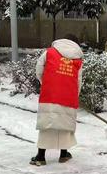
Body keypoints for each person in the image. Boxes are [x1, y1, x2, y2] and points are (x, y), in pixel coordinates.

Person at [30, 34, 84, 166]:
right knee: (64, 124)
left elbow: (39, 69)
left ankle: (41, 156)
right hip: (68, 95)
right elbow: (78, 80)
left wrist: (46, 82)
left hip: (50, 94)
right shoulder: (78, 59)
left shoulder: (49, 52)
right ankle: (63, 154)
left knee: (46, 124)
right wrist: (74, 94)